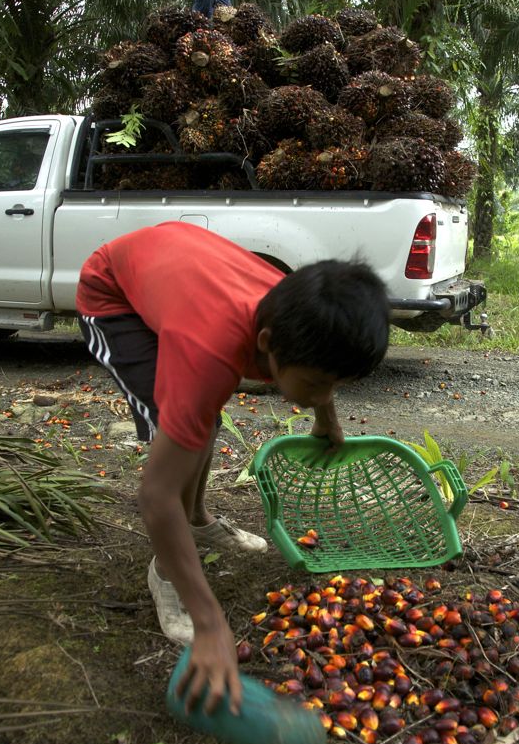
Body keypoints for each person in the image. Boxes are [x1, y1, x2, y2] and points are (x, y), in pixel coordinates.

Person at [76, 222, 389, 714]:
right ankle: (169, 574)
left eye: (336, 385)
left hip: (182, 276)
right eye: (315, 384)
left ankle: (198, 524)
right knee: (178, 426)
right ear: (266, 343)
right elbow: (154, 497)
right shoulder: (210, 349)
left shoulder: (298, 310)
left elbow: (321, 370)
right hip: (115, 297)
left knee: (200, 422)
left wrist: (326, 416)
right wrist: (210, 622)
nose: (324, 394)